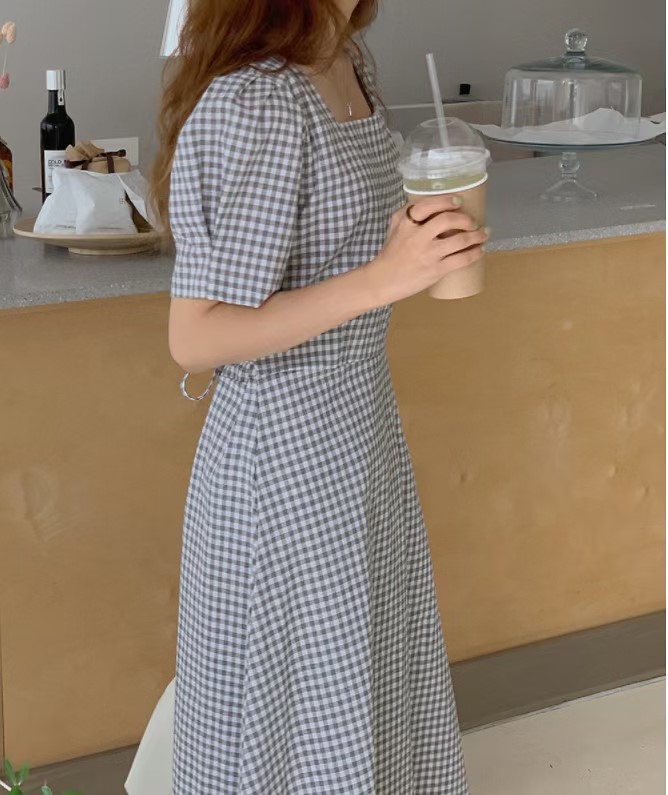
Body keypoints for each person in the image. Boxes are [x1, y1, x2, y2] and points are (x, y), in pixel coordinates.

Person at [127, 0, 488, 792]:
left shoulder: (345, 60)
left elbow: (335, 249)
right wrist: (383, 278)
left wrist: (416, 248)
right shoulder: (256, 100)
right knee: (293, 710)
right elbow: (196, 334)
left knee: (360, 676)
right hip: (281, 464)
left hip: (361, 433)